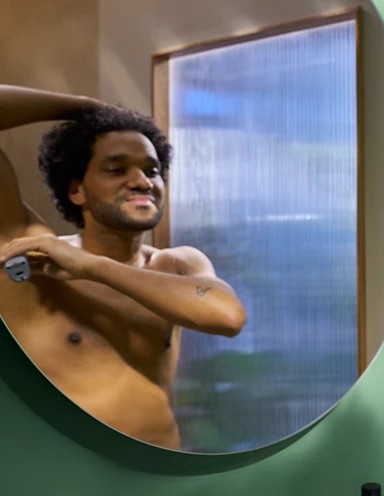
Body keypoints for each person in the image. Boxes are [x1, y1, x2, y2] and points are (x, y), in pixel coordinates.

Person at [0, 85, 247, 450]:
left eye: (152, 170)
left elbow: (228, 317)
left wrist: (92, 267)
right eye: (117, 169)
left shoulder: (176, 263)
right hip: (62, 477)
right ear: (76, 190)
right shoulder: (33, 253)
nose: (142, 181)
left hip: (160, 476)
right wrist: (83, 107)